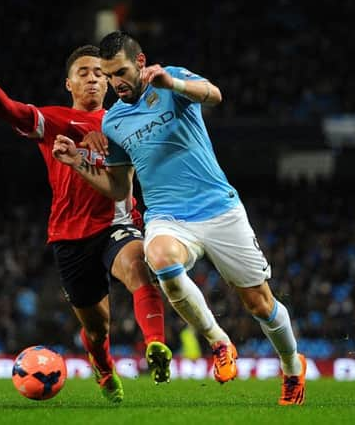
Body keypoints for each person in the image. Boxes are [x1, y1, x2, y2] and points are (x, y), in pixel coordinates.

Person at [52, 30, 307, 405]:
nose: (115, 83)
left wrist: (173, 82)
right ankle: (219, 343)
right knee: (158, 259)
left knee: (259, 304)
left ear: (140, 63)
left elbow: (215, 95)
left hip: (219, 209)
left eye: (120, 72)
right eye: (108, 76)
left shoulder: (171, 79)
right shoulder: (114, 122)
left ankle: (291, 367)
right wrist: (78, 165)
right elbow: (120, 188)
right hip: (167, 216)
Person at [0, 34, 171, 402]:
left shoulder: (124, 121)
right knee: (97, 330)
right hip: (70, 237)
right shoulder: (53, 121)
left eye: (100, 73)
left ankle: (156, 345)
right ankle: (102, 365)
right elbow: (13, 112)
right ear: (69, 83)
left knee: (139, 267)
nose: (94, 78)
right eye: (84, 73)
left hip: (117, 223)